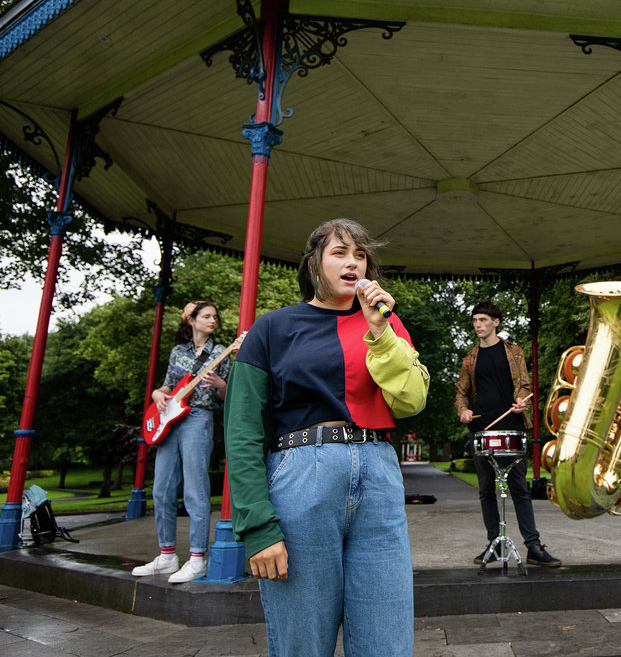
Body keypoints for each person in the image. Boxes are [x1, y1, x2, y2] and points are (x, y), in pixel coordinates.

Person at [225, 218, 429, 657]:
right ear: (314, 262)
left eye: (361, 255)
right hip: (301, 474)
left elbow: (411, 402)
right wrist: (257, 526)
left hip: (379, 474)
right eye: (340, 252)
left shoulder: (388, 326)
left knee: (387, 641)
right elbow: (241, 431)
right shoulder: (271, 328)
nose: (353, 262)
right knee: (303, 643)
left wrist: (380, 331)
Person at [455, 301, 561, 568]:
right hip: (480, 429)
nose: (478, 324)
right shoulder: (470, 359)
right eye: (475, 320)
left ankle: (533, 546)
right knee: (486, 490)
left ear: (496, 322)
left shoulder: (514, 352)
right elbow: (461, 392)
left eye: (483, 319)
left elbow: (524, 386)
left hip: (510, 426)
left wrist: (522, 400)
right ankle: (496, 543)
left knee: (519, 489)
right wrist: (463, 410)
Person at [131, 300, 231, 583]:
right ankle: (167, 555)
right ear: (192, 320)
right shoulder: (178, 351)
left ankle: (197, 558)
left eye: (215, 316)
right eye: (206, 316)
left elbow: (228, 396)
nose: (212, 320)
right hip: (168, 419)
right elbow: (168, 385)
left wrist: (220, 386)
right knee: (161, 488)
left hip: (199, 418)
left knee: (195, 489)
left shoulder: (222, 352)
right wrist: (156, 394)